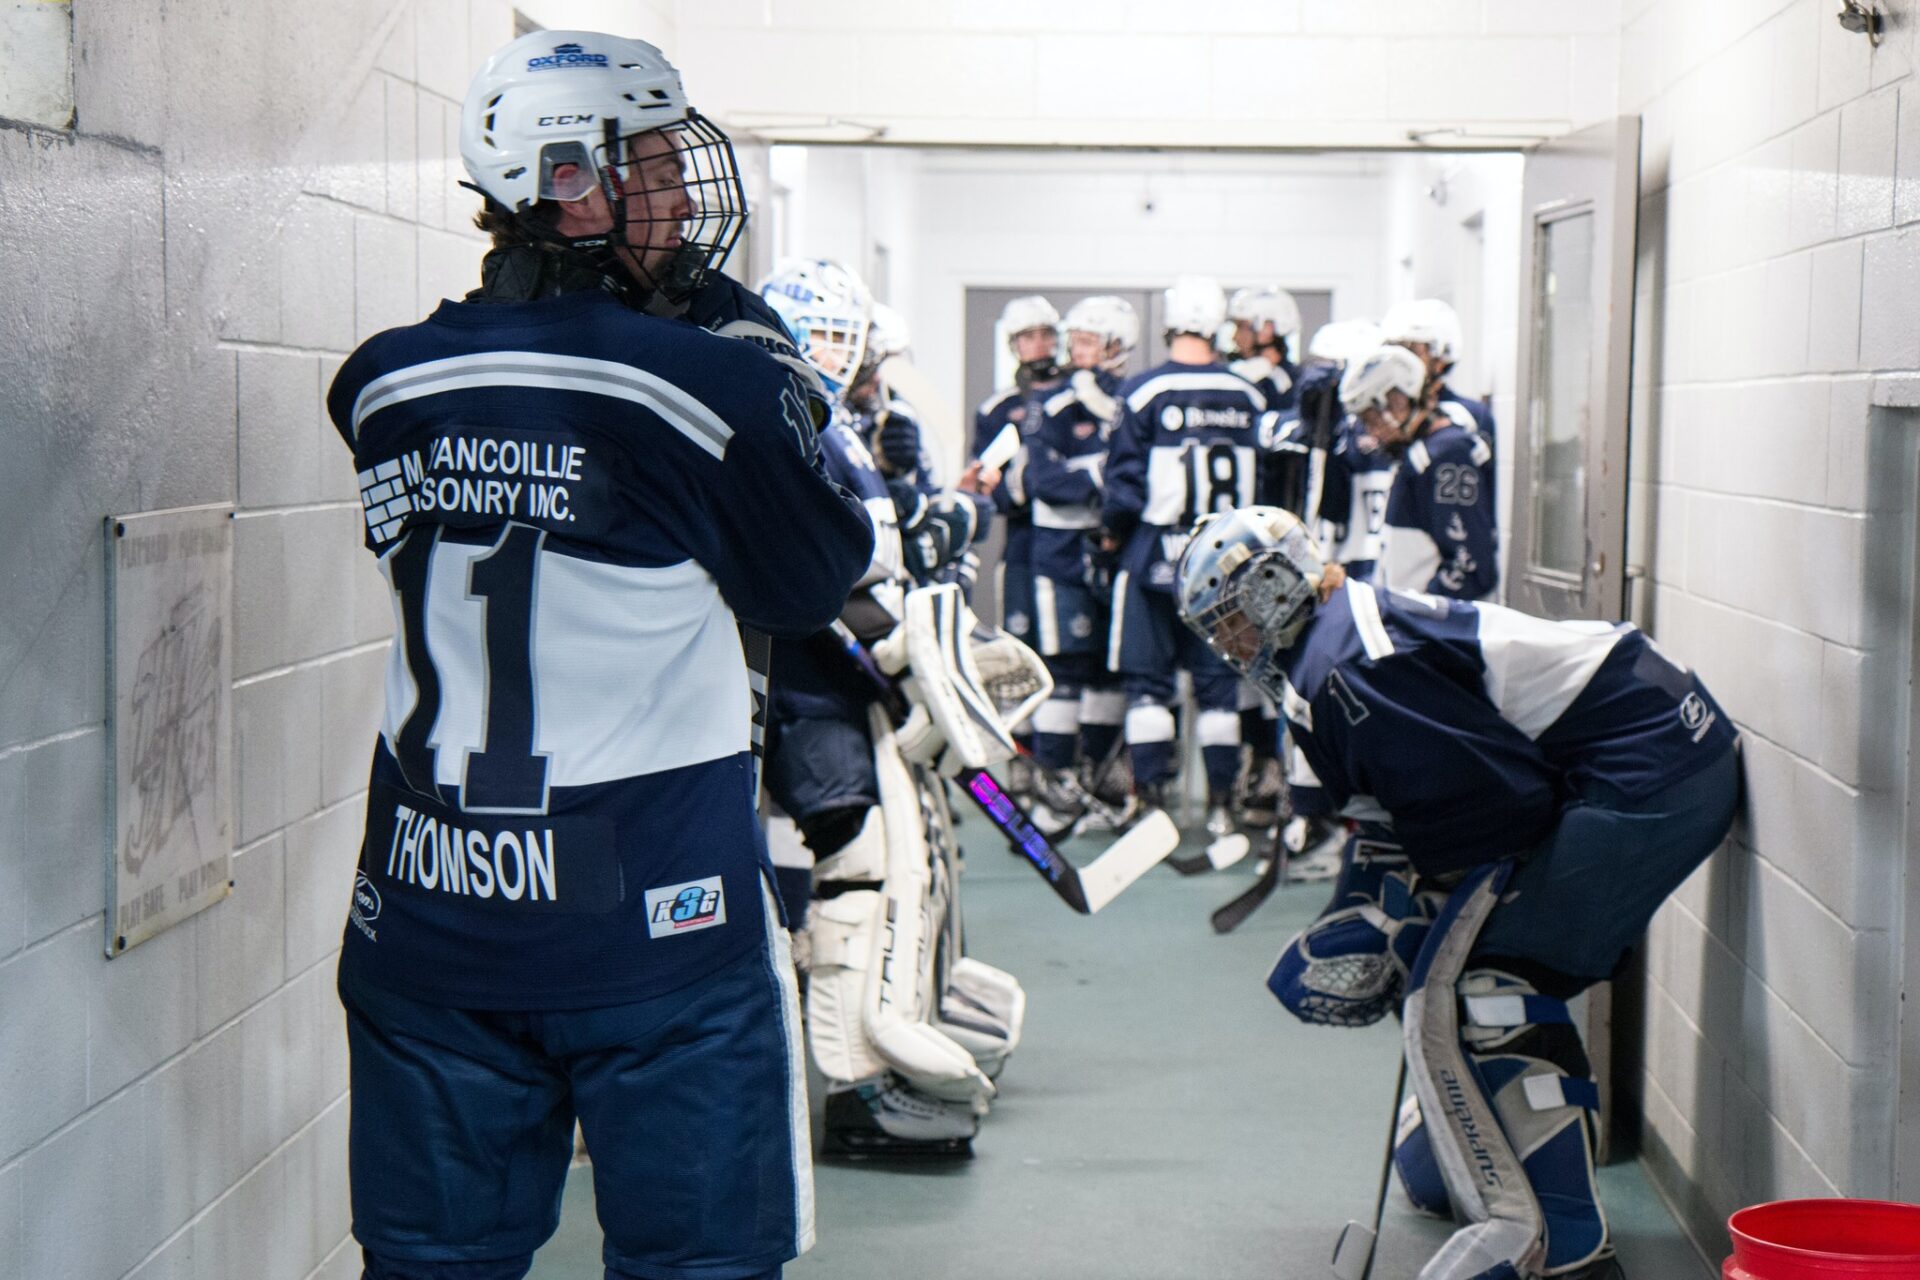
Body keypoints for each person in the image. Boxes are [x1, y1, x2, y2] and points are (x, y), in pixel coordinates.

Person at [326, 32, 875, 1280]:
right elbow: (809, 581)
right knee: (697, 1263)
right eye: (655, 165)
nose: (683, 193)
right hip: (655, 919)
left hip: (428, 909)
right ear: (567, 181)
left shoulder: (379, 384)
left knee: (428, 1264)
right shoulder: (698, 386)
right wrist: (768, 381)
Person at [1176, 507, 1739, 1280]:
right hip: (1620, 759)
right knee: (1449, 962)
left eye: (1232, 619)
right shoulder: (1326, 649)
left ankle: (1568, 1243)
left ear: (1272, 589)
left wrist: (1405, 929)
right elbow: (1389, 818)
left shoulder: (1352, 665)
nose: (1230, 643)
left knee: (1494, 984)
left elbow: (1503, 812)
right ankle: (1473, 1157)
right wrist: (1365, 915)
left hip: (1655, 766)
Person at [1103, 275, 1264, 838]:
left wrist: (1112, 533)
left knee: (1149, 688)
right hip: (1230, 561)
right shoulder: (1249, 395)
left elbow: (1123, 486)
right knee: (1219, 691)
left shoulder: (1144, 392)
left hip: (1157, 554)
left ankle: (1150, 804)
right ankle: (1222, 807)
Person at [1023, 295, 1139, 832]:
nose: (1077, 350)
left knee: (1108, 671)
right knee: (1065, 669)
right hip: (1062, 550)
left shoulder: (1132, 402)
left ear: (1117, 346)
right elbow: (1044, 481)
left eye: (1089, 341)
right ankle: (1055, 787)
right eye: (1075, 340)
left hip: (1116, 548)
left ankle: (1100, 784)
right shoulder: (1054, 404)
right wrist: (1103, 474)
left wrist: (1102, 477)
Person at [973, 296, 1067, 794]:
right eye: (1029, 336)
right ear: (1013, 344)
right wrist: (1023, 487)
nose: (1040, 345)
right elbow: (987, 483)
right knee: (1021, 648)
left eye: (1047, 334)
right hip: (1025, 543)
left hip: (1072, 540)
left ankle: (1068, 766)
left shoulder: (1076, 398)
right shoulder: (996, 409)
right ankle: (1024, 761)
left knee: (1072, 655)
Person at [1341, 343, 1498, 600]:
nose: (1371, 432)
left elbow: (1471, 569)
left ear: (1398, 399)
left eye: (1372, 418)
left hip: (1427, 624)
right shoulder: (1418, 453)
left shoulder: (1448, 456)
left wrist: (1411, 613)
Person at [1227, 286, 1303, 414]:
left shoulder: (1286, 382)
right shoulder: (1240, 371)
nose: (1234, 337)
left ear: (1267, 329)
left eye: (1242, 327)